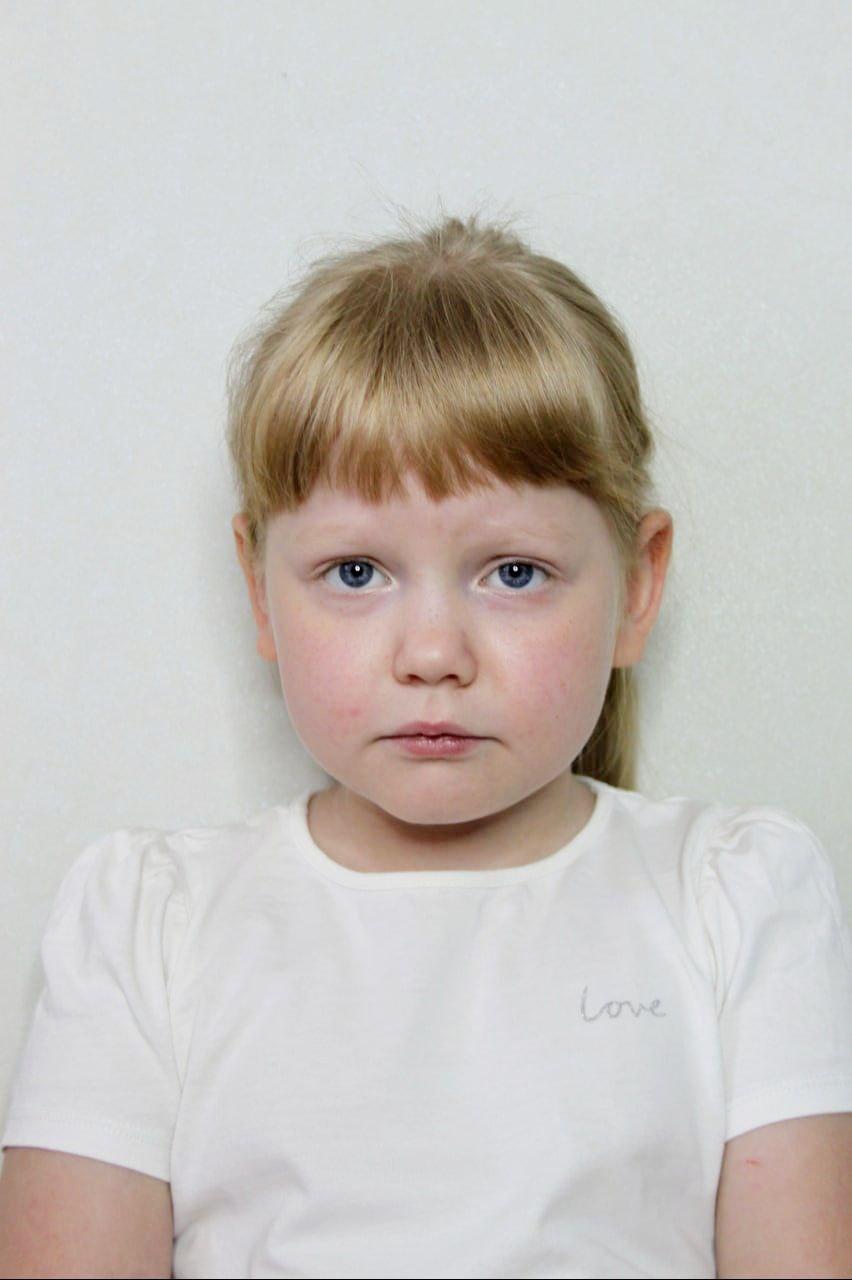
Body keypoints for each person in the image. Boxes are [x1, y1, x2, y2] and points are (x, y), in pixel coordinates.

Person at [1, 211, 850, 1280]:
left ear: (638, 585)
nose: (434, 653)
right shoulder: (150, 920)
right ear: (259, 589)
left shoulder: (735, 896)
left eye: (515, 572)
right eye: (355, 573)